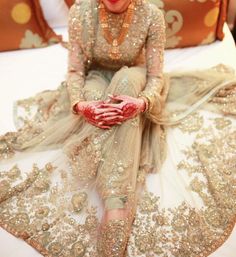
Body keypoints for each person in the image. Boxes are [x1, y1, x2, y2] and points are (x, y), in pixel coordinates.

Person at [0, 0, 236, 256]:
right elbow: (76, 71)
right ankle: (115, 187)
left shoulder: (151, 14)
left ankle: (117, 202)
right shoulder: (81, 12)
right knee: (95, 100)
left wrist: (143, 102)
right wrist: (80, 105)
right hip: (95, 76)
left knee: (124, 84)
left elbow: (155, 76)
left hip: (136, 76)